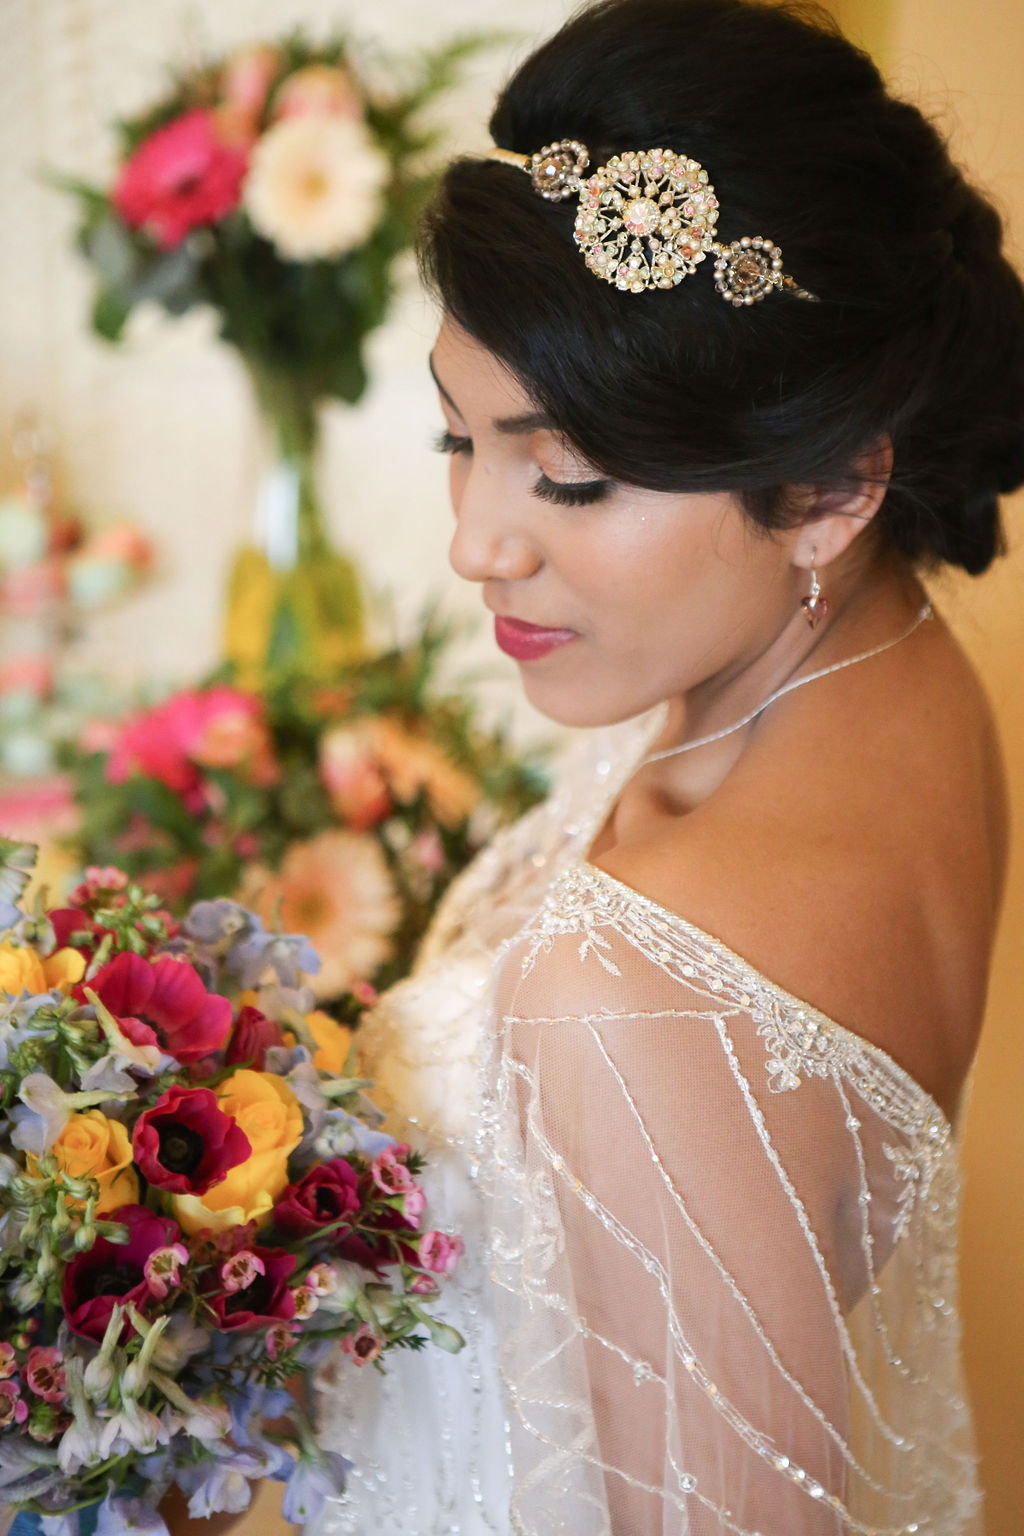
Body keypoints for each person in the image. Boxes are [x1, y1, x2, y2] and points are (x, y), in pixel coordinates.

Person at [312, 1, 1024, 1531]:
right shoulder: (889, 673)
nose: (477, 545)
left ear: (830, 485)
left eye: (565, 474)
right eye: (460, 440)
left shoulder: (643, 988)